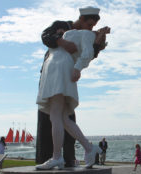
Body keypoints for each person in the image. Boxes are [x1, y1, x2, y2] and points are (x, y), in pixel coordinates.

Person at [35, 6, 110, 170]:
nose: (91, 28)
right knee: (62, 117)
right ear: (81, 20)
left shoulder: (86, 34)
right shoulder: (64, 27)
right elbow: (45, 35)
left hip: (59, 70)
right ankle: (88, 148)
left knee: (56, 115)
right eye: (89, 24)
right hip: (54, 70)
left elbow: (88, 54)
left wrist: (79, 66)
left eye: (93, 26)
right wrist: (61, 40)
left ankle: (57, 157)